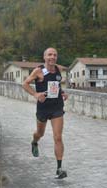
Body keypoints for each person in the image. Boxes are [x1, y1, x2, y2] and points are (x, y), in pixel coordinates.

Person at [22, 47, 68, 179]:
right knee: (39, 133)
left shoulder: (58, 69)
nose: (52, 57)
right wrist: (36, 94)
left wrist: (63, 93)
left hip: (57, 107)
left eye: (55, 55)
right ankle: (34, 142)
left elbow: (56, 85)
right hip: (43, 108)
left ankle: (59, 169)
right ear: (44, 57)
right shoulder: (39, 71)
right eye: (50, 55)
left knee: (58, 137)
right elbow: (25, 84)